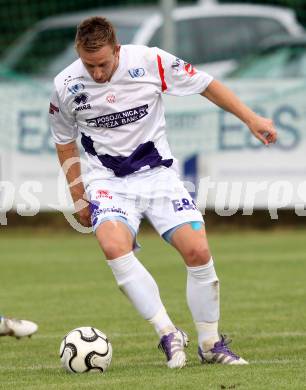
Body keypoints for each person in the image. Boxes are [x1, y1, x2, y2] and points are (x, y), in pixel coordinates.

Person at [49, 17, 277, 368]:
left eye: (103, 64)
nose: (95, 73)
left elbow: (206, 83)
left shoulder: (150, 60)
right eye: (88, 64)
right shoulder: (65, 84)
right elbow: (64, 142)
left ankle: (211, 344)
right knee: (113, 245)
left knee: (198, 250)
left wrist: (251, 119)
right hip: (107, 182)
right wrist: (78, 193)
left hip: (158, 176)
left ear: (118, 50)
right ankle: (168, 333)